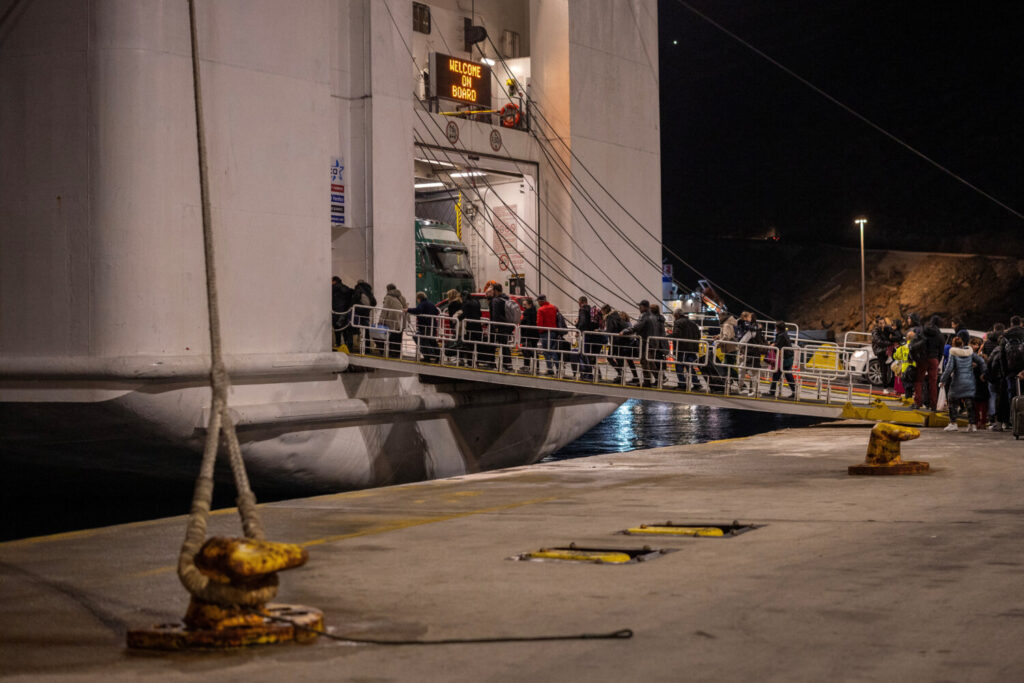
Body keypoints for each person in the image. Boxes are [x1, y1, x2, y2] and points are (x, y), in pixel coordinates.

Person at [940, 336, 986, 432]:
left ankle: (953, 423)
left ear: (953, 344)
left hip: (957, 381)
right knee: (970, 403)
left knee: (953, 401)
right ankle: (972, 425)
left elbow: (949, 368)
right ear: (962, 344)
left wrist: (942, 380)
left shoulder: (953, 353)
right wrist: (983, 373)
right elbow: (981, 361)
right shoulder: (970, 353)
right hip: (969, 381)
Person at [914, 315, 944, 410]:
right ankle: (933, 405)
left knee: (918, 380)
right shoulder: (939, 334)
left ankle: (918, 403)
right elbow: (941, 350)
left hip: (923, 358)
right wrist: (937, 360)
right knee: (933, 383)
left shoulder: (923, 330)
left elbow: (916, 343)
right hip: (934, 359)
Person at [669, 308, 701, 388]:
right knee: (690, 366)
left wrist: (667, 336)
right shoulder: (693, 323)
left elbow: (677, 334)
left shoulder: (678, 322)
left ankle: (682, 384)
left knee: (679, 366)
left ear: (676, 315)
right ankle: (696, 384)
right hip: (692, 349)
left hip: (682, 348)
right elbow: (699, 336)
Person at [407, 292, 440, 362]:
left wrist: (408, 310)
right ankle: (438, 357)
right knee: (432, 341)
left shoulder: (422, 304)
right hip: (432, 326)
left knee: (422, 341)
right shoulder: (430, 303)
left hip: (425, 326)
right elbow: (437, 312)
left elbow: (418, 310)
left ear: (418, 299)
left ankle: (427, 357)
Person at [767, 320, 797, 398]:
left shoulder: (781, 335)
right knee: (786, 374)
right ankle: (794, 391)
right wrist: (772, 343)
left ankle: (772, 391)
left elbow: (777, 346)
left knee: (778, 373)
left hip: (785, 358)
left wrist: (772, 345)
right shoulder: (784, 334)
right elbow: (777, 343)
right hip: (788, 357)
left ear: (777, 328)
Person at [488, 283, 513, 371]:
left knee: (492, 344)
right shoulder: (507, 298)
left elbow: (495, 315)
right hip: (507, 325)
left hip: (499, 326)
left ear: (495, 290)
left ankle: (492, 363)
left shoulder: (496, 300)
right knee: (505, 345)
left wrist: (495, 326)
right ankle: (508, 364)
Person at [536, 294, 561, 376]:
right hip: (554, 332)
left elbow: (539, 323)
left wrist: (540, 332)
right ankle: (559, 369)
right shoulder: (553, 307)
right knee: (553, 351)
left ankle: (550, 369)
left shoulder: (541, 310)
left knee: (546, 352)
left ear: (540, 301)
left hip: (545, 333)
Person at [575, 296, 599, 381]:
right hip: (591, 335)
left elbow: (583, 322)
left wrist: (577, 326)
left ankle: (588, 374)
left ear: (581, 302)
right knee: (589, 354)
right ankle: (597, 374)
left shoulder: (582, 309)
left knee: (583, 354)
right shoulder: (590, 309)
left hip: (585, 335)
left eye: (578, 302)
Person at [379, 284, 408, 358]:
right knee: (398, 337)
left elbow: (385, 310)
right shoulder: (402, 297)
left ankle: (391, 353)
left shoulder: (388, 297)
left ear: (388, 289)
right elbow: (406, 308)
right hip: (401, 320)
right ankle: (397, 353)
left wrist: (381, 320)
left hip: (392, 320)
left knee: (391, 337)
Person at [970, 338, 990, 428]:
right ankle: (983, 422)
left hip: (976, 385)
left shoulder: (975, 363)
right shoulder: (985, 363)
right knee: (984, 405)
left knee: (976, 405)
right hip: (984, 385)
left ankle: (978, 421)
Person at [331, 276, 354, 350]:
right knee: (344, 329)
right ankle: (347, 345)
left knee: (337, 328)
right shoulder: (346, 288)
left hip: (336, 311)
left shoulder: (333, 288)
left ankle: (338, 344)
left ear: (334, 281)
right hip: (345, 311)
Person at [461, 291, 482, 366]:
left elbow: (464, 314)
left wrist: (456, 319)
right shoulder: (476, 302)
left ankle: (470, 362)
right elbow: (480, 313)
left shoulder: (466, 303)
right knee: (478, 345)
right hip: (478, 326)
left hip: (470, 327)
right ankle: (478, 361)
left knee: (469, 345)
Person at [518, 297, 539, 373]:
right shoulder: (534, 311)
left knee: (527, 351)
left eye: (525, 304)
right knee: (533, 351)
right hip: (534, 335)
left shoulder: (528, 312)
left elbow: (527, 323)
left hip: (528, 335)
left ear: (529, 304)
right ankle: (536, 367)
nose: (523, 306)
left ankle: (527, 366)